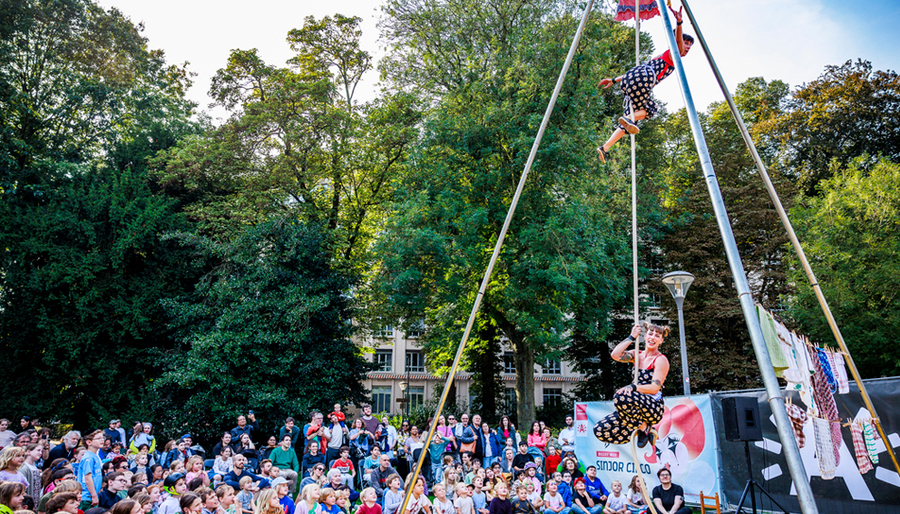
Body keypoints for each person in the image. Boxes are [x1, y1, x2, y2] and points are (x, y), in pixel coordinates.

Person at [595, 3, 694, 163]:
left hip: (631, 81)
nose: (687, 47)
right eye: (686, 43)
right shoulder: (672, 55)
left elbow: (634, 73)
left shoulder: (658, 57)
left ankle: (604, 148)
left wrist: (613, 80)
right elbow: (678, 46)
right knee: (650, 109)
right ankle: (629, 117)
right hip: (645, 79)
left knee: (629, 123)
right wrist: (679, 23)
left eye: (690, 44)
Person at [593, 324, 671, 448]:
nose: (653, 337)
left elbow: (654, 388)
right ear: (645, 336)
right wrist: (631, 337)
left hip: (652, 407)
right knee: (600, 430)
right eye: (650, 334)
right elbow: (615, 355)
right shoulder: (636, 355)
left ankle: (644, 428)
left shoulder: (660, 360)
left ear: (661, 341)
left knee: (620, 397)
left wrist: (633, 388)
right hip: (634, 409)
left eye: (657, 336)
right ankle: (640, 428)